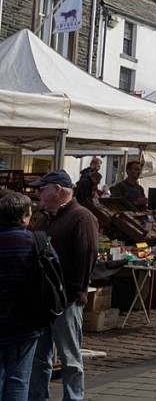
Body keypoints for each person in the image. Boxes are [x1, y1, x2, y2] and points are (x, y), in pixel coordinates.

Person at [27, 170, 99, 401]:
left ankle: (73, 398)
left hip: (67, 301)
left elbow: (86, 258)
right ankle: (37, 397)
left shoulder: (82, 217)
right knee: (40, 356)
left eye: (42, 189)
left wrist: (73, 295)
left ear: (57, 189)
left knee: (70, 357)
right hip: (42, 301)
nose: (39, 195)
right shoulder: (45, 217)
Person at [1, 193, 47, 401]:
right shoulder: (36, 242)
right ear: (24, 217)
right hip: (26, 322)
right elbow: (54, 279)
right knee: (19, 379)